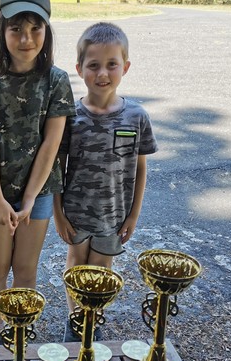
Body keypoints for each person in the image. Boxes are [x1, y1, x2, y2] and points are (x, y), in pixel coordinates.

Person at [0, 0, 75, 345]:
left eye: (36, 29)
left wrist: (30, 198)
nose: (26, 39)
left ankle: (20, 330)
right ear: (2, 30)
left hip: (40, 190)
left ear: (47, 31)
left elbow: (52, 142)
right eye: (16, 28)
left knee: (26, 268)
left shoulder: (56, 81)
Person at [54, 22, 158, 342]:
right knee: (76, 266)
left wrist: (133, 215)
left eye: (112, 64)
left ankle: (92, 319)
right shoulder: (69, 117)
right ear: (79, 69)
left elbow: (140, 168)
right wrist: (58, 214)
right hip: (75, 212)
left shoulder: (136, 116)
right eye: (93, 65)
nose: (102, 73)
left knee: (100, 270)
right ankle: (76, 321)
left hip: (113, 214)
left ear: (125, 67)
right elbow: (57, 167)